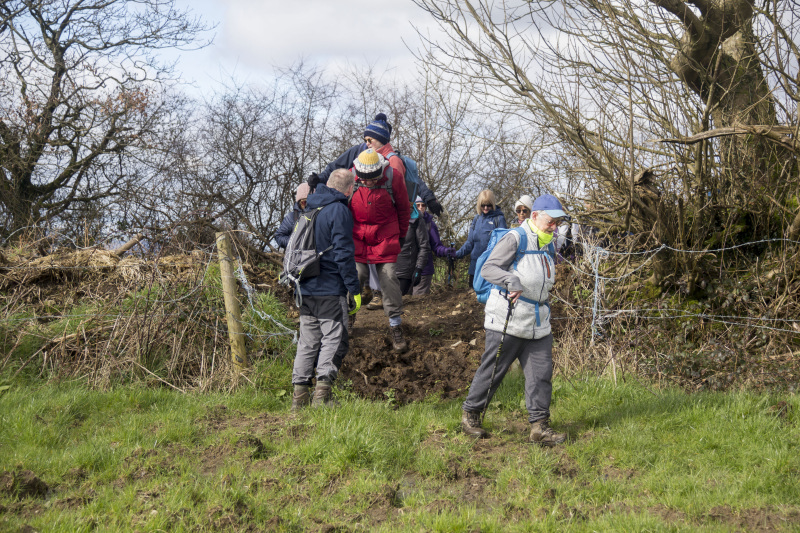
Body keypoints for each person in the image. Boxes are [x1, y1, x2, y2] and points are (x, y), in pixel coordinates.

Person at [460, 194, 570, 446]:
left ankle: (539, 427)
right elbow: (488, 268)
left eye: (557, 222)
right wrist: (511, 280)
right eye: (550, 221)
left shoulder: (548, 245)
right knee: (494, 370)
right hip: (507, 317)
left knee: (541, 374)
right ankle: (471, 415)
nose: (554, 227)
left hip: (538, 321)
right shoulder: (516, 238)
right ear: (534, 216)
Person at [291, 169, 361, 410]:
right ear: (349, 189)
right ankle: (322, 398)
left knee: (307, 342)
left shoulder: (308, 208)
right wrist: (354, 289)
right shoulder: (339, 209)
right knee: (335, 339)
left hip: (305, 287)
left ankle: (299, 399)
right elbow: (344, 253)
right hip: (330, 288)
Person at [309, 113, 444, 217]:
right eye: (365, 139)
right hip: (357, 213)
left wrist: (429, 198)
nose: (367, 143)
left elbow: (412, 182)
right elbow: (335, 167)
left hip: (384, 216)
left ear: (381, 139)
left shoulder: (394, 160)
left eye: (370, 139)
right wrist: (320, 179)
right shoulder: (359, 150)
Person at [350, 148, 411, 352]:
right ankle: (349, 317)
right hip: (358, 238)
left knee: (389, 277)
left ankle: (395, 325)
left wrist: (401, 236)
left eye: (373, 179)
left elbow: (404, 209)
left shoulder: (393, 178)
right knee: (354, 276)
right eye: (365, 179)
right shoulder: (351, 177)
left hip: (386, 236)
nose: (369, 182)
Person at [454, 189, 507, 288]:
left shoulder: (499, 219)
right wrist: (456, 254)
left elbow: (503, 245)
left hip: (491, 266)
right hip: (474, 266)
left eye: (489, 205)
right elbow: (470, 243)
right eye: (483, 205)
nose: (486, 207)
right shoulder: (476, 219)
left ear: (493, 204)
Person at [414, 197, 455, 295]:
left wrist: (447, 251)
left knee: (418, 304)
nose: (420, 207)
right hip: (405, 271)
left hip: (424, 271)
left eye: (423, 205)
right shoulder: (404, 222)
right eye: (417, 205)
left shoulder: (430, 224)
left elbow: (436, 246)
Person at [396, 200, 431, 295]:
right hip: (386, 268)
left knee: (397, 301)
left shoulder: (417, 220)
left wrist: (419, 268)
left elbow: (424, 246)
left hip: (405, 271)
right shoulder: (386, 216)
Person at [275, 183, 310, 249]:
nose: (306, 205)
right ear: (299, 202)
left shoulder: (319, 214)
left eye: (309, 202)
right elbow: (279, 236)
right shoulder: (292, 217)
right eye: (304, 202)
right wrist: (295, 243)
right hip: (297, 257)